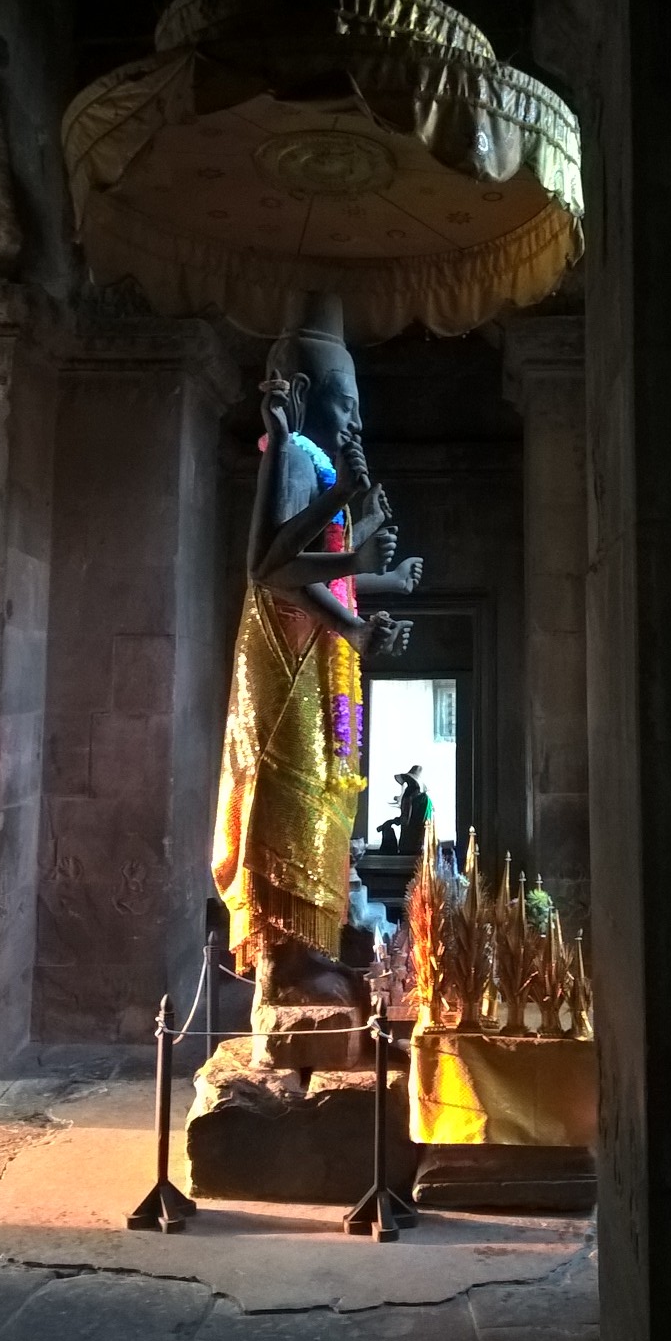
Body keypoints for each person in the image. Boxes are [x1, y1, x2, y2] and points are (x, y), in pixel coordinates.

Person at [211, 294, 424, 1024]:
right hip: (284, 662)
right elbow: (269, 568)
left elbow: (323, 575)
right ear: (301, 394)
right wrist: (346, 525)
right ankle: (282, 968)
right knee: (289, 798)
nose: (355, 419)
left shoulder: (317, 465)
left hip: (313, 658)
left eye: (358, 405)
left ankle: (311, 951)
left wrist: (374, 577)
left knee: (327, 800)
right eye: (344, 402)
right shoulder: (295, 454)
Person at [392, 764, 434, 857]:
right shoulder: (408, 797)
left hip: (417, 844)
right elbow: (405, 817)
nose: (409, 784)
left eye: (411, 781)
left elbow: (425, 823)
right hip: (406, 843)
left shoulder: (424, 799)